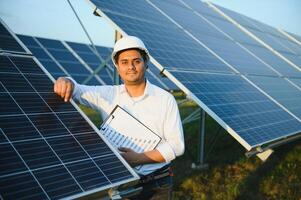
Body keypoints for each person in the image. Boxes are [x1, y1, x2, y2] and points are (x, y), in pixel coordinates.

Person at [54, 36, 185, 199]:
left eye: (136, 61)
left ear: (145, 63)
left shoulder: (165, 99)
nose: (131, 67)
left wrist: (137, 159)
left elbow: (177, 146)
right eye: (124, 62)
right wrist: (65, 80)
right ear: (117, 66)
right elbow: (77, 90)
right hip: (120, 182)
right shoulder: (108, 94)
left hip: (158, 183)